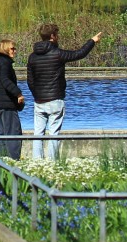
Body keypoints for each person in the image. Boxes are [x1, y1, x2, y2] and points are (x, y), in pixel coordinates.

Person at [26, 24, 102, 159]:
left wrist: (37, 94)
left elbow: (30, 81)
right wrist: (92, 41)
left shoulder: (32, 57)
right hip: (55, 98)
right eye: (57, 35)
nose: (58, 37)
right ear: (52, 36)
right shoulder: (58, 54)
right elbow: (79, 53)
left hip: (39, 100)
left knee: (38, 133)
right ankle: (52, 161)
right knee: (54, 133)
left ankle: (37, 161)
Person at [0, 39, 26, 159]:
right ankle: (13, 161)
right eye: (12, 48)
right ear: (5, 49)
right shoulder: (5, 64)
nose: (15, 51)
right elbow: (5, 81)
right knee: (13, 133)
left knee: (0, 134)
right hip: (7, 105)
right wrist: (18, 94)